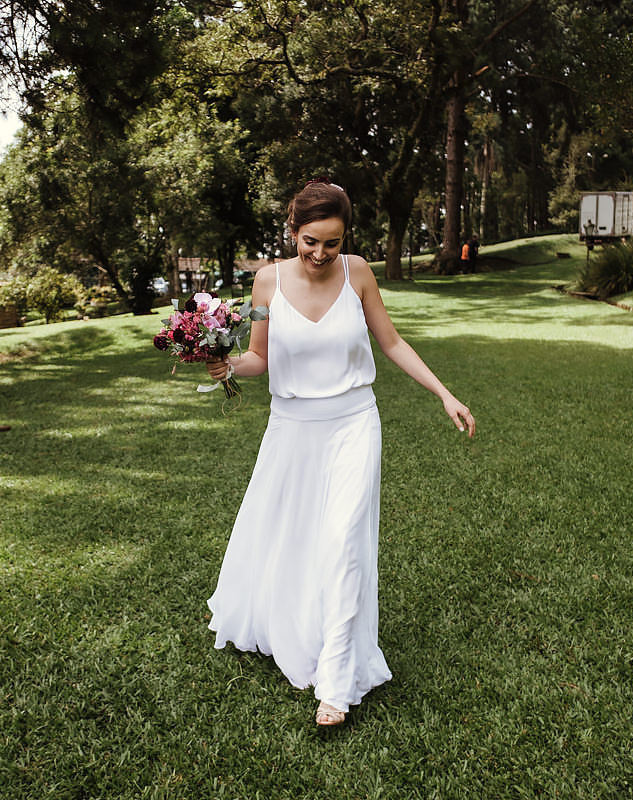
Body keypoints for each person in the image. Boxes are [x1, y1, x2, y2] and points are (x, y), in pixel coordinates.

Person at [205, 179, 475, 727]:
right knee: (293, 538)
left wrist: (444, 394)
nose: (321, 254)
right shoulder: (266, 283)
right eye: (310, 241)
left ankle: (337, 680)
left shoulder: (359, 274)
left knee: (345, 539)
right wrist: (225, 365)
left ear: (345, 236)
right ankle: (293, 625)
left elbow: (392, 342)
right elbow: (260, 358)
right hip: (293, 427)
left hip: (355, 422)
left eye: (332, 242)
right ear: (293, 231)